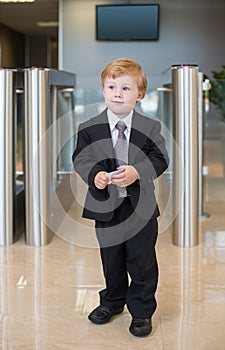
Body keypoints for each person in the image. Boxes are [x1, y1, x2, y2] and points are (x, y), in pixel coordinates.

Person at [72, 58, 169, 337]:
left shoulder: (149, 128)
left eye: (126, 88)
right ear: (103, 90)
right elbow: (81, 158)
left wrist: (138, 172)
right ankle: (113, 301)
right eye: (112, 86)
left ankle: (140, 311)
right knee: (111, 259)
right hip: (106, 208)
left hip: (141, 209)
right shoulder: (89, 127)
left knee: (141, 261)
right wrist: (95, 176)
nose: (117, 93)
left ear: (139, 95)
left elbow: (161, 159)